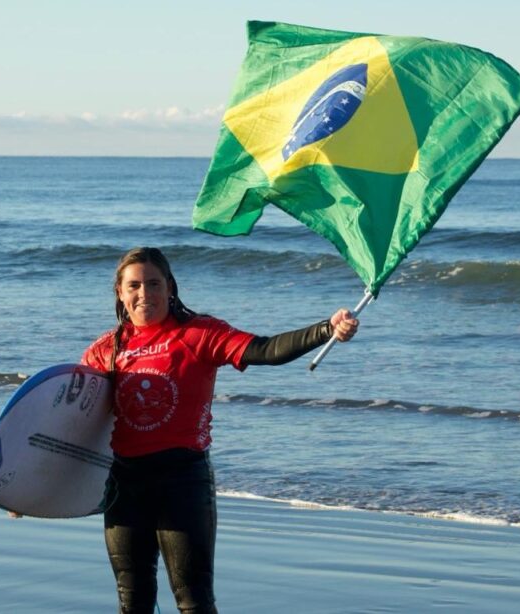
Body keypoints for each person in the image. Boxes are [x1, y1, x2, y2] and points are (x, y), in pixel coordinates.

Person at [80, 246, 358, 614]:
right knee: (132, 601)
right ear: (120, 291)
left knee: (194, 601)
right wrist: (24, 487)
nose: (144, 293)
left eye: (153, 283)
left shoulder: (198, 334)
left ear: (170, 287)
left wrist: (326, 329)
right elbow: (70, 420)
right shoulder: (105, 349)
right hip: (124, 485)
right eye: (134, 285)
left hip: (182, 481)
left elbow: (266, 349)